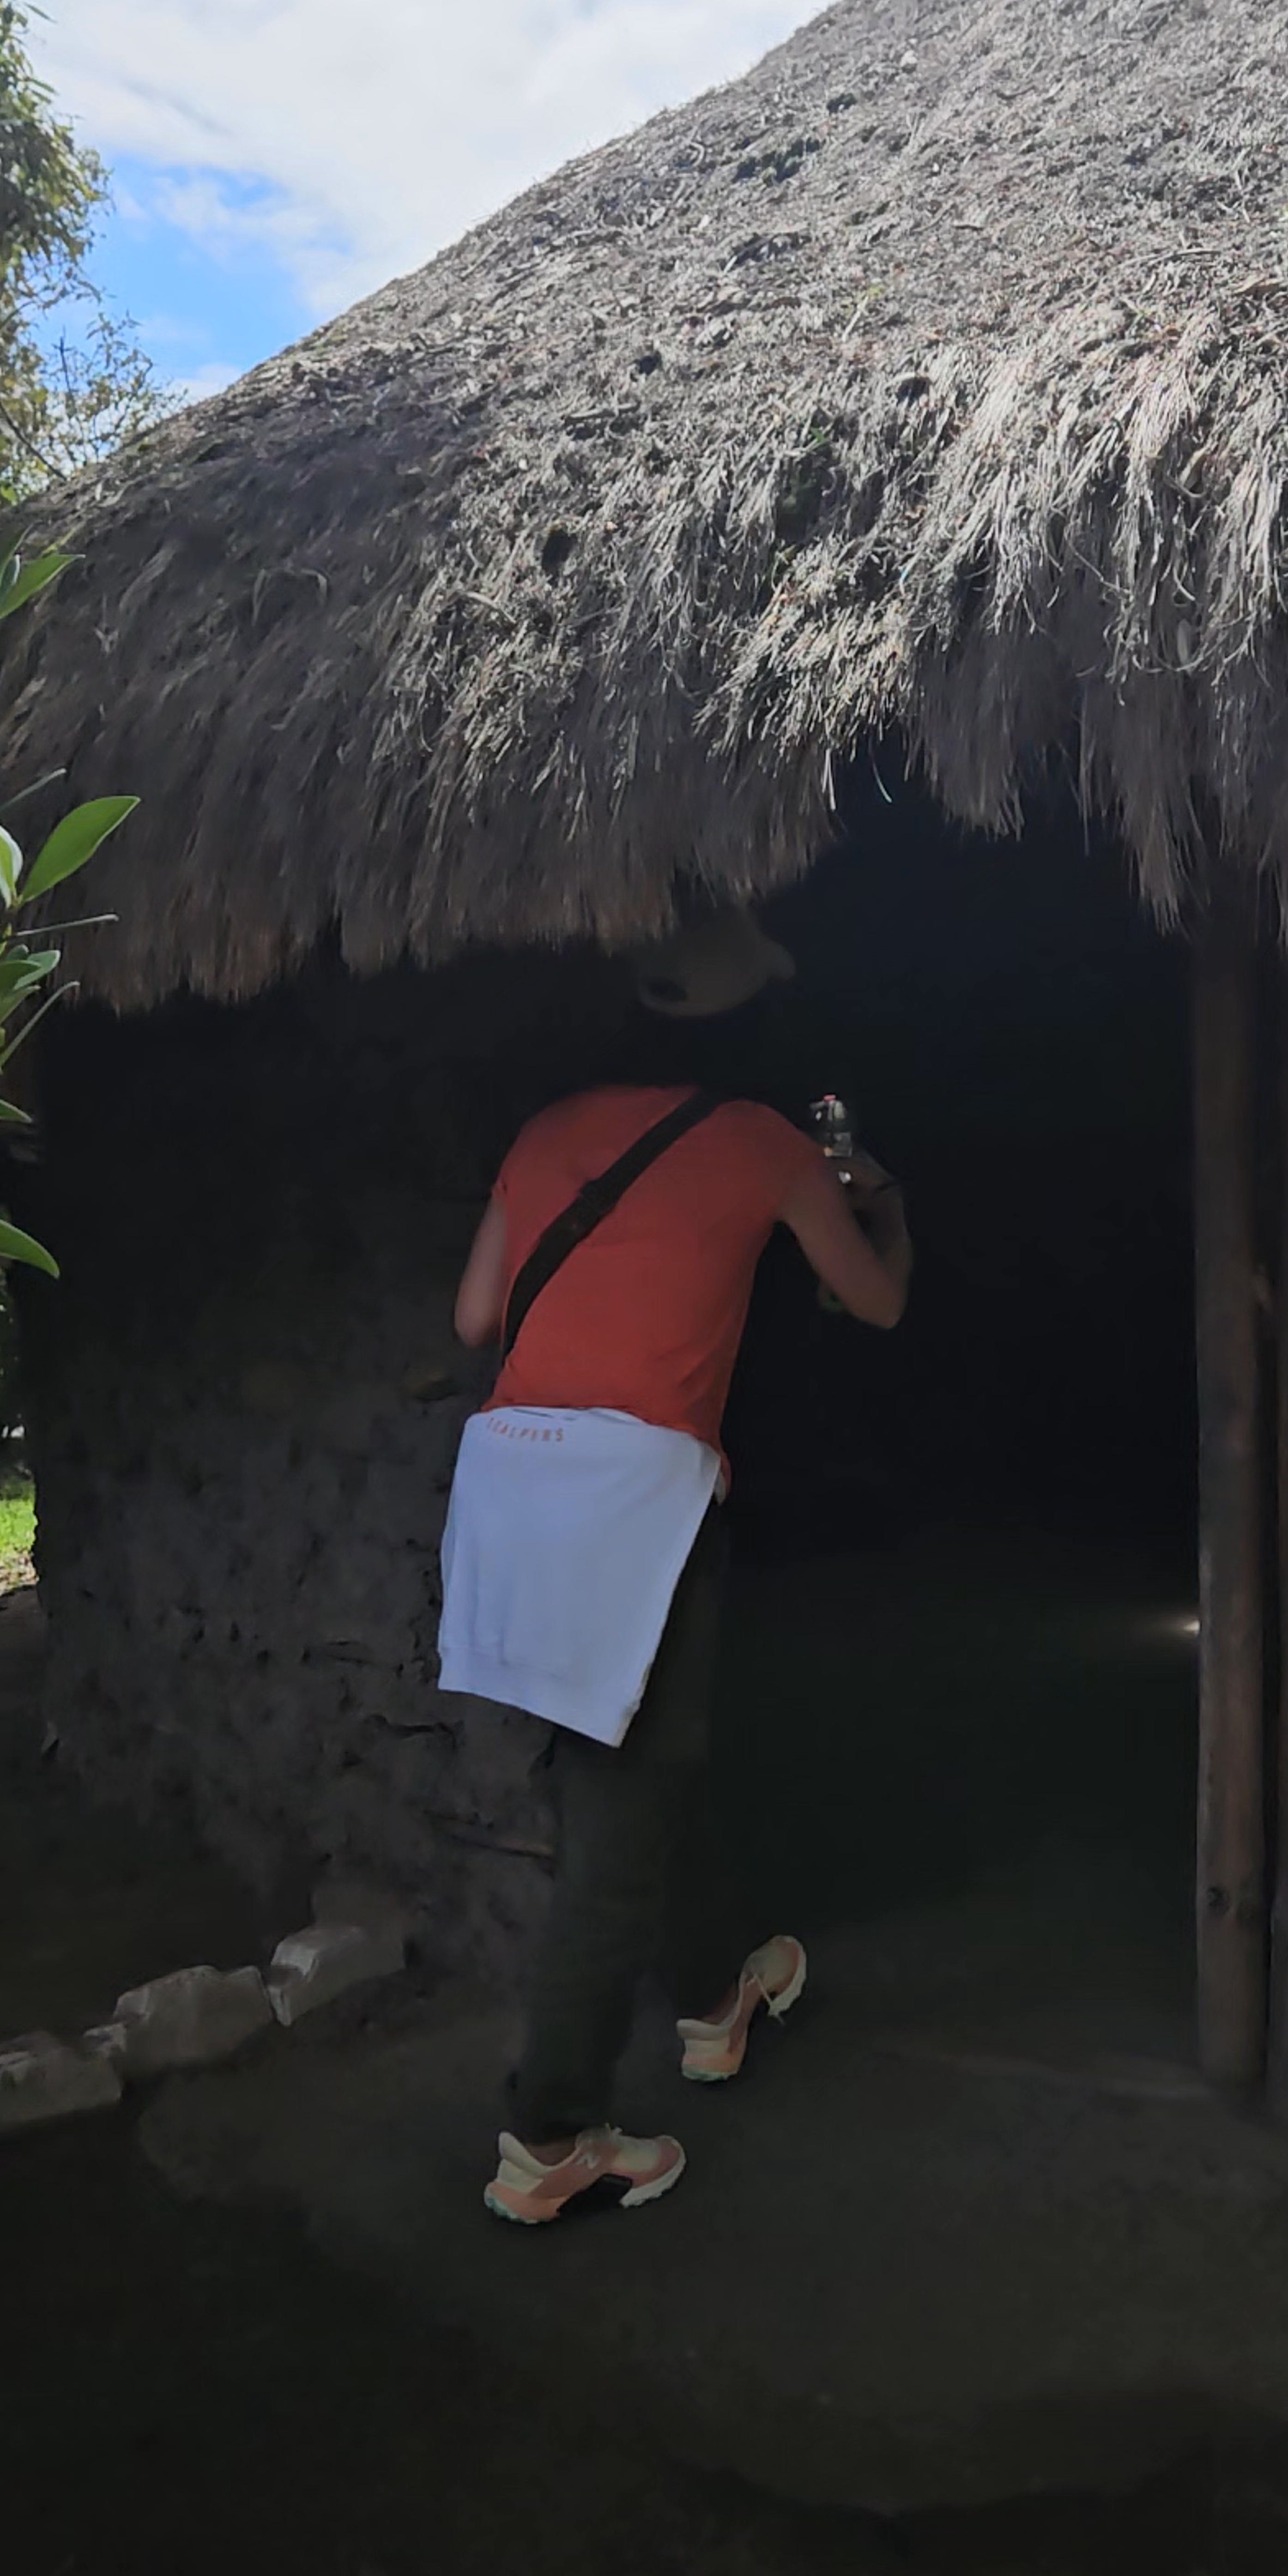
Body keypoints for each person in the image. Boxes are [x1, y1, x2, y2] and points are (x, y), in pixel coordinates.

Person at [440, 908, 912, 2227]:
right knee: (616, 1830)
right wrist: (887, 1209)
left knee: (631, 1757)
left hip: (515, 1488)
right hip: (636, 1504)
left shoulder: (543, 1133)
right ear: (755, 1029)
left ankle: (719, 1994)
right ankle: (550, 2135)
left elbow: (479, 1318)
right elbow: (873, 1303)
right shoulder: (764, 1144)